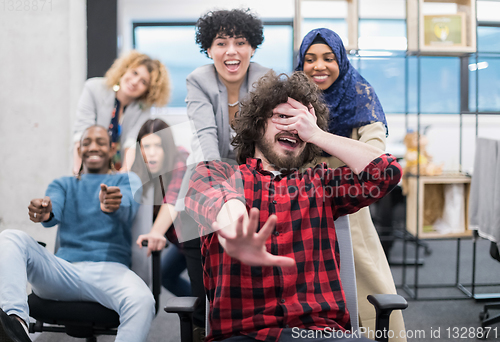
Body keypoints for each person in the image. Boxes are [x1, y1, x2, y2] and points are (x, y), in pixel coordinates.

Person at [184, 71, 403, 342]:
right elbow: (211, 195)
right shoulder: (221, 175)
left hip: (320, 334)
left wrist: (318, 134)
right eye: (283, 117)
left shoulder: (321, 184)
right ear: (257, 124)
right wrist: (236, 228)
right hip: (243, 335)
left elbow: (386, 172)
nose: (294, 127)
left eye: (302, 121)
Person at [296, 28, 405, 341]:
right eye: (310, 59)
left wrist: (318, 135)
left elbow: (377, 157)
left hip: (347, 207)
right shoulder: (294, 100)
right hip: (301, 207)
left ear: (341, 60)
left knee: (365, 281)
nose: (319, 66)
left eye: (328, 58)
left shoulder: (359, 96)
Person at [0, 125, 154, 342]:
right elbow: (54, 208)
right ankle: (15, 328)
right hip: (64, 271)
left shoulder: (126, 181)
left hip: (110, 272)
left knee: (143, 301)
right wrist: (46, 212)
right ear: (80, 150)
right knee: (10, 237)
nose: (93, 147)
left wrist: (113, 204)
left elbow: (128, 206)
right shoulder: (63, 184)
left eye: (100, 142)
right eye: (86, 142)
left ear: (112, 150)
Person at [176, 8, 270, 212]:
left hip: (255, 180)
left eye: (240, 42)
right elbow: (206, 136)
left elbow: (266, 142)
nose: (231, 51)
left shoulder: (265, 80)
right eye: (221, 43)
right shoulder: (198, 80)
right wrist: (220, 193)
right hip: (210, 175)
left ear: (252, 48)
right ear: (208, 50)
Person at [73, 50, 170, 174]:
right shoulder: (92, 88)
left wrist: (125, 172)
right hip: (88, 163)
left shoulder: (143, 109)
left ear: (149, 90)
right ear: (124, 69)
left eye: (143, 82)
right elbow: (81, 133)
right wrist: (78, 170)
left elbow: (131, 140)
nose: (135, 82)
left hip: (117, 167)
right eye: (134, 73)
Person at [130, 119, 191, 297]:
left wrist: (156, 232)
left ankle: (201, 317)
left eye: (158, 145)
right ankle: (199, 314)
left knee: (207, 292)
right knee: (165, 275)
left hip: (200, 243)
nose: (152, 153)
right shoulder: (143, 170)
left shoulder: (181, 159)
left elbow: (173, 198)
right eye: (146, 146)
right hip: (180, 243)